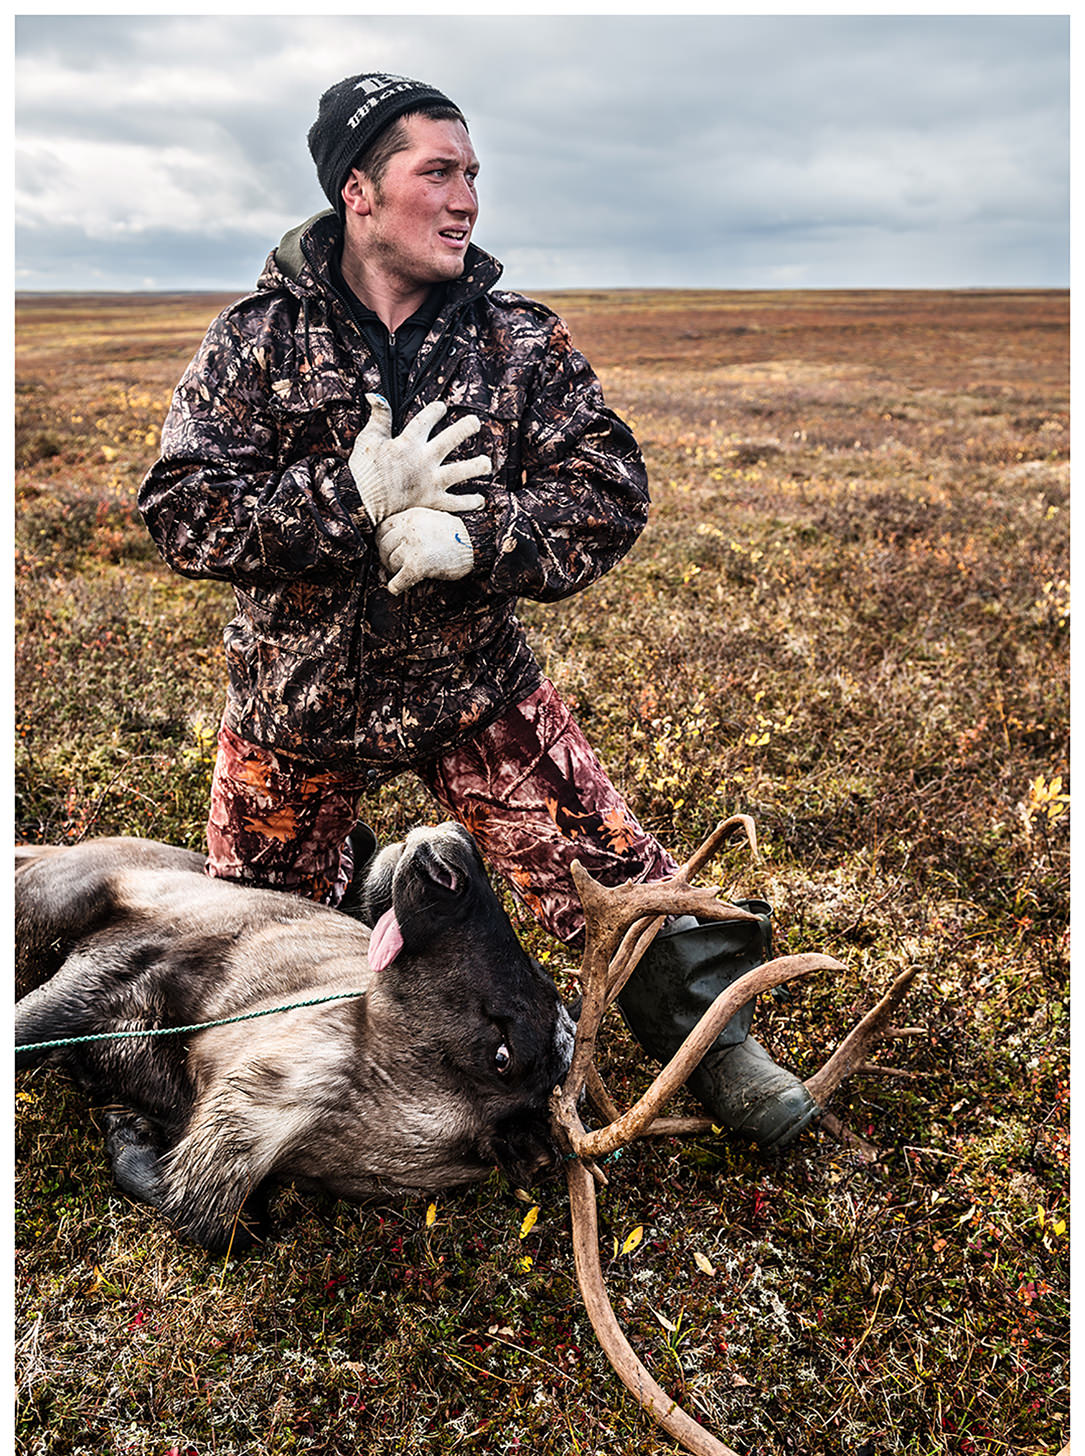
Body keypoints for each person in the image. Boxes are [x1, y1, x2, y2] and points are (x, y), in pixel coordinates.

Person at [138, 71, 817, 1151]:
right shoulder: (255, 340)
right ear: (358, 191)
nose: (466, 200)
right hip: (291, 701)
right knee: (241, 947)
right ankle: (354, 931)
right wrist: (348, 500)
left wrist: (477, 540)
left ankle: (717, 1046)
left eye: (473, 176)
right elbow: (182, 510)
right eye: (438, 173)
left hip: (473, 689)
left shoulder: (518, 341)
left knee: (612, 876)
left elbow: (608, 491)